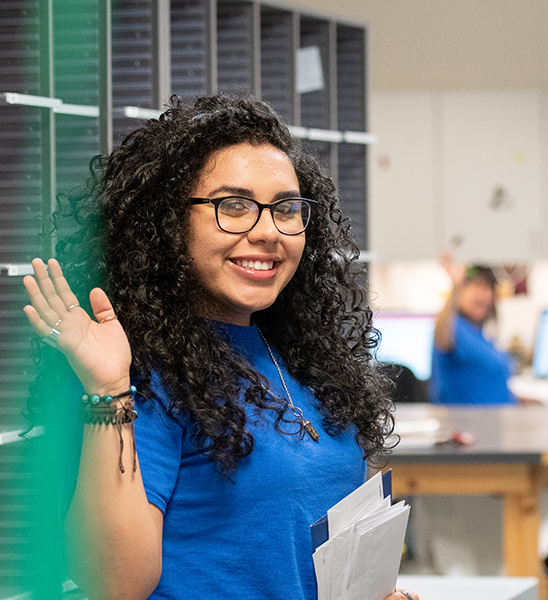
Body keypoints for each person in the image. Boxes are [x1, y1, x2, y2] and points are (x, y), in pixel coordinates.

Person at [22, 93, 418, 600]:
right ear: (168, 222)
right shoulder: (142, 373)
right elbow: (115, 585)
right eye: (233, 206)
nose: (268, 231)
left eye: (287, 208)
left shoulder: (301, 356)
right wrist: (108, 387)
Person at [429, 252, 517, 405]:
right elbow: (441, 338)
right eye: (477, 286)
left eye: (488, 288)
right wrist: (455, 287)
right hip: (466, 425)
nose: (483, 295)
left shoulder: (481, 336)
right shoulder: (454, 327)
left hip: (495, 422)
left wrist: (520, 400)